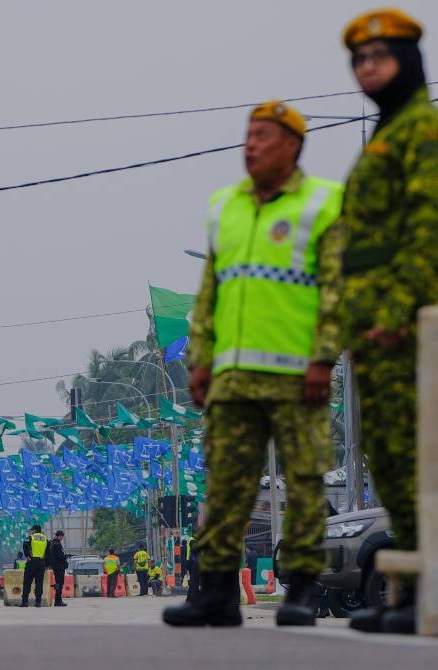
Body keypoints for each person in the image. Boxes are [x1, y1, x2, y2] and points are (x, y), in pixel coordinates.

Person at [163, 100, 343, 629]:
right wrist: (199, 363)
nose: (251, 144)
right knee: (225, 485)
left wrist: (322, 358)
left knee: (305, 483)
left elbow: (336, 289)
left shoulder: (323, 203)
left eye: (263, 135)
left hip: (297, 375)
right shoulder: (225, 206)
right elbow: (212, 290)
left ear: (292, 145)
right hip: (232, 378)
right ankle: (214, 592)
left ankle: (304, 590)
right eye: (248, 134)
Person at [338, 8, 438, 636]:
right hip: (371, 329)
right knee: (391, 462)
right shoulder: (382, 138)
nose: (367, 69)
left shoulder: (426, 131)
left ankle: (432, 592)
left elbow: (425, 232)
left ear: (407, 62)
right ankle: (411, 594)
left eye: (379, 58)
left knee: (416, 458)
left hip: (404, 320)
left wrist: (389, 315)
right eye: (359, 60)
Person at [20, 524, 47, 607]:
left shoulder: (31, 537)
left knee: (27, 582)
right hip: (41, 563)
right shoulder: (45, 539)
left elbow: (25, 544)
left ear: (34, 530)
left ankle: (25, 602)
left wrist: (27, 555)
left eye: (31, 530)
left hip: (32, 562)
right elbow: (48, 551)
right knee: (39, 583)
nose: (31, 531)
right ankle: (38, 602)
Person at [45, 530, 69, 607]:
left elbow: (48, 554)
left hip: (54, 566)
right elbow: (59, 556)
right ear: (59, 536)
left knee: (58, 583)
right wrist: (66, 556)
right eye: (61, 536)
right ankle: (58, 601)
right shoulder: (57, 544)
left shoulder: (51, 543)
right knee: (60, 583)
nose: (62, 538)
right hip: (59, 566)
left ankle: (58, 600)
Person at [184, 528, 200, 603]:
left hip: (193, 563)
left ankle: (192, 598)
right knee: (194, 581)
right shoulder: (192, 540)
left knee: (195, 581)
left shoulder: (194, 540)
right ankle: (190, 598)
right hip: (192, 563)